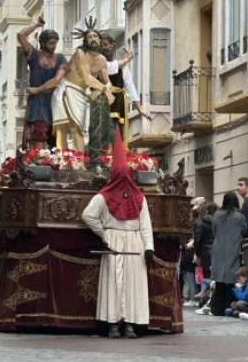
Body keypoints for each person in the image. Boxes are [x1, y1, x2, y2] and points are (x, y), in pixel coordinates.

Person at [81, 129, 154, 339]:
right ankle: (113, 324)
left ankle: (130, 324)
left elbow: (145, 225)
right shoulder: (102, 197)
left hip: (133, 242)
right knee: (115, 283)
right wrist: (104, 233)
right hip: (114, 240)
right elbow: (88, 215)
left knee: (131, 284)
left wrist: (149, 247)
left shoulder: (139, 198)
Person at [51, 22, 114, 153]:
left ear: (100, 39)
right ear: (85, 41)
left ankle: (79, 160)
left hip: (81, 93)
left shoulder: (102, 60)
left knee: (78, 128)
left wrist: (101, 89)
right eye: (90, 37)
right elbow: (86, 78)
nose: (93, 39)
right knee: (65, 128)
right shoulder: (80, 53)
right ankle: (63, 159)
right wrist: (104, 90)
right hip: (67, 89)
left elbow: (107, 82)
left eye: (95, 36)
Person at [17, 17, 67, 149]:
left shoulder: (60, 58)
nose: (54, 46)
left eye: (55, 43)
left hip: (53, 98)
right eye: (51, 43)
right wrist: (36, 25)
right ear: (43, 42)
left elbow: (56, 80)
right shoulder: (34, 55)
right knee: (40, 130)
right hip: (38, 101)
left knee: (55, 133)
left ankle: (56, 158)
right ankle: (39, 158)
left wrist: (37, 89)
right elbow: (21, 35)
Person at [100, 35, 151, 137]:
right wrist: (126, 60)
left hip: (118, 104)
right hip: (101, 102)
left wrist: (139, 108)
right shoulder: (96, 63)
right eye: (104, 45)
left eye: (109, 45)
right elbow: (109, 68)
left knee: (118, 133)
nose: (107, 47)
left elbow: (130, 87)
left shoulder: (123, 67)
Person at [210, 192, 247, 316]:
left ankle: (218, 308)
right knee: (232, 279)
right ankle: (228, 306)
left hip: (219, 248)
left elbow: (213, 230)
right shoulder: (239, 217)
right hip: (234, 248)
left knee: (219, 280)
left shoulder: (217, 215)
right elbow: (244, 230)